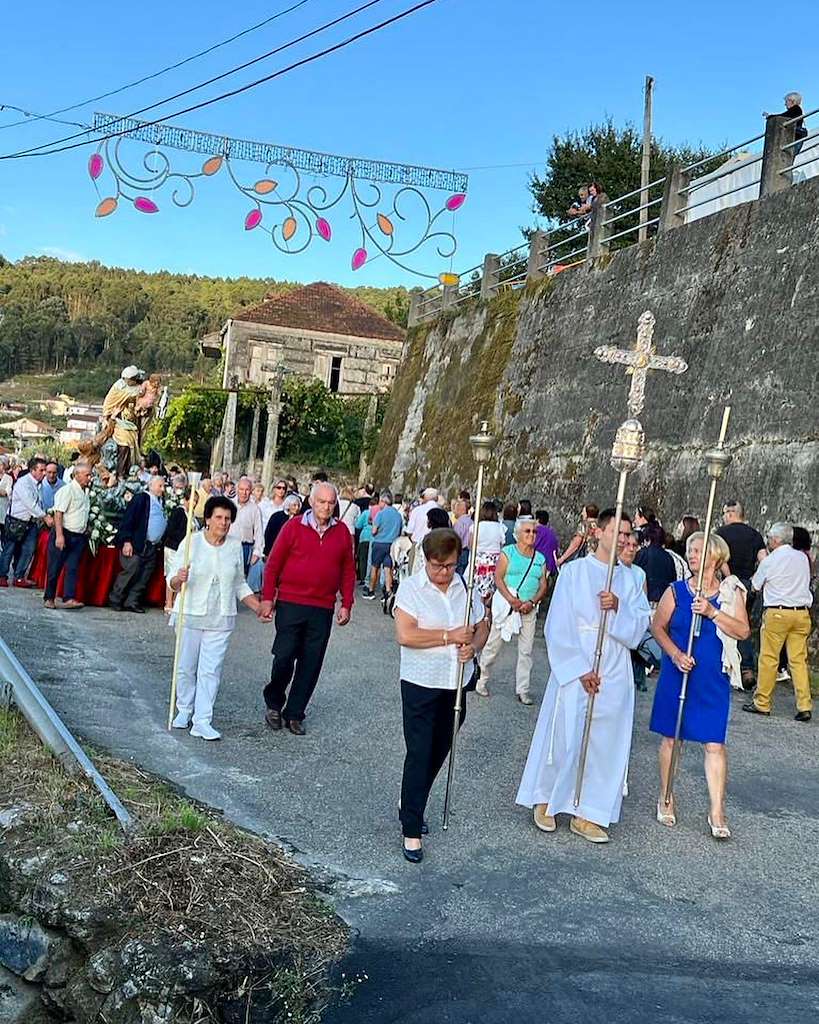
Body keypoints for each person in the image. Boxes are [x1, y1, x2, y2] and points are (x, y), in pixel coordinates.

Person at [516, 509, 650, 844]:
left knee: (604, 740)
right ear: (598, 532)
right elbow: (558, 625)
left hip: (615, 664)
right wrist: (579, 669)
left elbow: (639, 629)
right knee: (565, 731)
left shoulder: (633, 579)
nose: (624, 539)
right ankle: (547, 797)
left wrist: (618, 608)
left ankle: (589, 810)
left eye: (628, 534)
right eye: (617, 532)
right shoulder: (575, 572)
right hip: (577, 662)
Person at [394, 527, 489, 863]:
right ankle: (412, 828)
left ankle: (411, 800)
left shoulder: (465, 587)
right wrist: (450, 636)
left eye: (449, 566)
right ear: (427, 560)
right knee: (419, 753)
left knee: (438, 752)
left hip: (456, 684)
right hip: (421, 682)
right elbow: (406, 635)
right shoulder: (411, 588)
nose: (443, 573)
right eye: (437, 566)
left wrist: (473, 646)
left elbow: (482, 624)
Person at [650, 533, 750, 839]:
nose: (691, 555)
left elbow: (744, 631)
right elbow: (657, 626)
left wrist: (712, 612)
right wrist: (676, 654)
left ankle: (716, 809)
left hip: (712, 679)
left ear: (715, 556)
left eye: (698, 550)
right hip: (677, 672)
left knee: (714, 743)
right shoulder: (676, 591)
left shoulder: (731, 594)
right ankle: (666, 796)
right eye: (690, 550)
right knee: (671, 738)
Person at [168, 495, 269, 740]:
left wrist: (257, 607)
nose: (223, 523)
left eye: (228, 519)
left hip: (220, 616)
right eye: (219, 518)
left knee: (210, 670)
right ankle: (184, 709)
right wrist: (178, 579)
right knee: (186, 666)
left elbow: (239, 584)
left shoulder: (234, 546)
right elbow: (171, 581)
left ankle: (203, 720)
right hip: (190, 613)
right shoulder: (192, 543)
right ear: (208, 519)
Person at [259, 482, 355, 735]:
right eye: (322, 501)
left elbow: (348, 570)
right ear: (311, 502)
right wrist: (267, 598)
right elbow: (274, 563)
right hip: (291, 603)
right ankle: (274, 702)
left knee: (311, 662)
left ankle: (295, 712)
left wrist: (346, 603)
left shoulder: (342, 532)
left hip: (322, 607)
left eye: (331, 502)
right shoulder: (293, 526)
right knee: (284, 656)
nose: (326, 506)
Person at [743, 523, 813, 722]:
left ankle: (762, 702)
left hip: (778, 612)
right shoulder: (802, 557)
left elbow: (755, 586)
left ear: (775, 540)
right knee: (798, 661)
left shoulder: (771, 560)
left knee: (769, 658)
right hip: (801, 614)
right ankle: (804, 705)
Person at [477, 518, 549, 705]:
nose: (531, 535)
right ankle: (481, 678)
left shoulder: (540, 558)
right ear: (518, 534)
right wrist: (511, 600)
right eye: (527, 531)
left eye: (534, 532)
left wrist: (532, 602)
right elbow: (498, 578)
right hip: (508, 606)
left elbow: (543, 584)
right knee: (494, 645)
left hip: (529, 607)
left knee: (526, 650)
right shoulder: (507, 553)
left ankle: (523, 690)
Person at [716, 500, 766, 689]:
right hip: (749, 584)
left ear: (729, 513)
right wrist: (754, 579)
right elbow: (764, 560)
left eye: (725, 513)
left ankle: (737, 667)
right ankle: (746, 668)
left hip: (731, 584)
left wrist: (730, 579)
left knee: (727, 624)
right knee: (744, 624)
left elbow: (720, 559)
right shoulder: (755, 534)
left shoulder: (721, 533)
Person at [109, 475, 167, 612]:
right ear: (151, 485)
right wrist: (127, 541)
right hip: (137, 543)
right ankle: (116, 598)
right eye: (160, 486)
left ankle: (132, 601)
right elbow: (129, 519)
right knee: (131, 571)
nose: (163, 489)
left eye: (163, 486)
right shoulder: (141, 498)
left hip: (151, 545)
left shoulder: (160, 501)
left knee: (144, 575)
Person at [43, 461, 92, 611]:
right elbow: (59, 513)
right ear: (77, 475)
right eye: (87, 475)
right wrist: (59, 535)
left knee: (72, 568)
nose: (90, 478)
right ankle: (49, 597)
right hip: (65, 532)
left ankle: (69, 597)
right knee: (55, 567)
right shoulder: (68, 490)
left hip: (79, 536)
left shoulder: (85, 492)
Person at [0, 456, 52, 588]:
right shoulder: (23, 483)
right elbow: (30, 504)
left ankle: (19, 577)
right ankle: (2, 575)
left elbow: (40, 502)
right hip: (17, 521)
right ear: (33, 470)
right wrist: (44, 516)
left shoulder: (39, 484)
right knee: (9, 549)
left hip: (31, 522)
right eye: (41, 470)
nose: (44, 473)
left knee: (28, 550)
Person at [366, 491, 404, 600]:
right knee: (388, 567)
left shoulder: (380, 514)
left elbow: (373, 531)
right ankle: (388, 591)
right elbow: (400, 531)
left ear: (383, 501)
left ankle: (371, 590)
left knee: (375, 567)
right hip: (392, 544)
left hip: (379, 543)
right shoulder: (397, 515)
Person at [469, 501, 507, 603]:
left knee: (477, 589)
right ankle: (488, 614)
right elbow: (502, 545)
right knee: (492, 589)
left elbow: (471, 545)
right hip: (495, 561)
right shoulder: (500, 527)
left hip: (479, 560)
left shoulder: (476, 526)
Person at [635, 521, 677, 605]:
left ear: (648, 539)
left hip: (646, 600)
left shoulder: (643, 554)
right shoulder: (669, 557)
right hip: (664, 602)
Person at [228, 477, 264, 576]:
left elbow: (258, 532)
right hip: (228, 546)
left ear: (251, 491)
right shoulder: (228, 504)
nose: (244, 493)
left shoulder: (255, 509)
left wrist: (257, 553)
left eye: (247, 490)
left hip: (245, 548)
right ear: (237, 490)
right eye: (241, 489)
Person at [356, 497, 379, 590]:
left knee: (363, 559)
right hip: (375, 537)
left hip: (364, 536)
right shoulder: (379, 512)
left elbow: (358, 524)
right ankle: (370, 579)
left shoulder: (365, 513)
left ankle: (362, 578)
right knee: (372, 560)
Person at [534, 510, 559, 576]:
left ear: (537, 519)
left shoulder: (537, 531)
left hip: (540, 567)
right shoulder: (552, 533)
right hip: (551, 567)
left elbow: (532, 546)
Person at [452, 498, 473, 575]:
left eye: (456, 509)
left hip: (460, 552)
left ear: (461, 510)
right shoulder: (472, 521)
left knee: (459, 574)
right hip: (469, 552)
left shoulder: (459, 523)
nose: (454, 511)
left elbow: (455, 538)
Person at [0, 455, 11, 546]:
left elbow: (6, 493)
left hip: (3, 510)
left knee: (4, 535)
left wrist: (3, 492)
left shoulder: (8, 478)